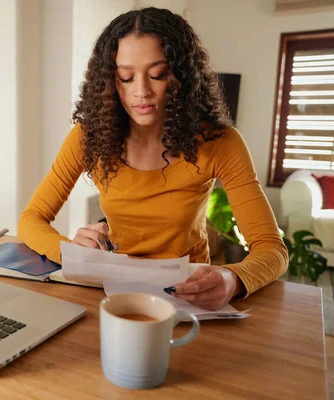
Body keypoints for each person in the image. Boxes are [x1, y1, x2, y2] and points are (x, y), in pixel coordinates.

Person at [17, 7, 288, 311]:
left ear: (181, 76)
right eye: (126, 77)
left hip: (188, 294)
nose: (141, 91)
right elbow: (31, 219)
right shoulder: (88, 137)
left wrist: (232, 278)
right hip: (112, 288)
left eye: (157, 75)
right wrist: (72, 252)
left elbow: (272, 248)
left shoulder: (221, 143)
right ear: (109, 81)